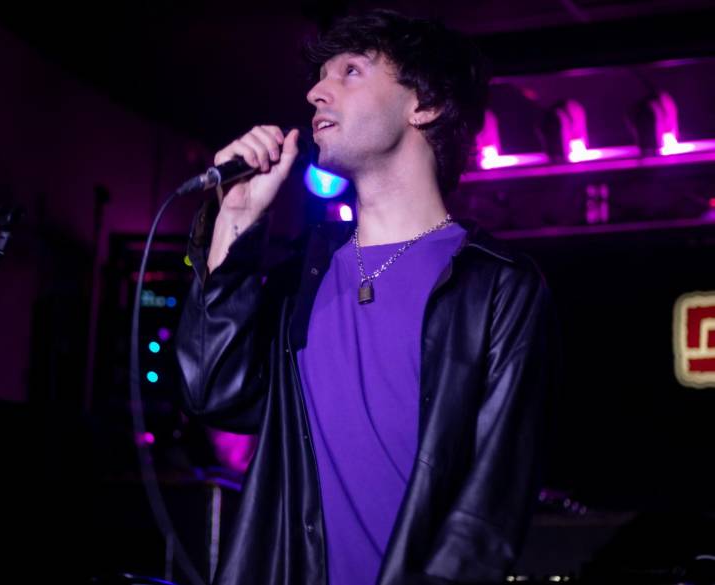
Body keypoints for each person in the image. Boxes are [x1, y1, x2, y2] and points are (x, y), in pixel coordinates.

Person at [175, 8, 558, 585]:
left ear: (423, 104)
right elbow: (212, 393)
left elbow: (490, 506)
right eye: (320, 75)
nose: (315, 91)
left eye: (350, 70)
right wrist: (234, 224)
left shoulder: (498, 287)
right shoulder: (302, 277)